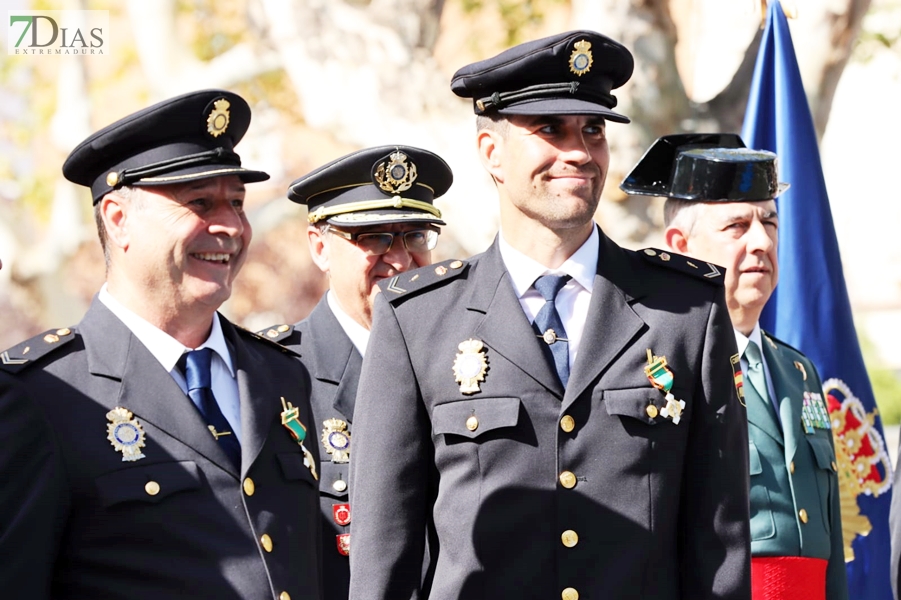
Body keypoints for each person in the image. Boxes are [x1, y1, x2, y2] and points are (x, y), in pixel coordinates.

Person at [348, 31, 751, 600]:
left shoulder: (684, 310)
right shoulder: (417, 318)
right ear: (491, 153)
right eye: (550, 130)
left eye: (593, 131)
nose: (580, 153)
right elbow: (384, 549)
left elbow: (720, 539)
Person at [0, 89, 322, 600]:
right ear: (117, 219)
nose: (231, 226)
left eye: (237, 203)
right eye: (199, 202)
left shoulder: (281, 375)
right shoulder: (42, 394)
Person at [622, 133, 845, 600]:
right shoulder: (652, 372)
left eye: (770, 222)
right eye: (737, 227)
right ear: (681, 245)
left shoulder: (798, 370)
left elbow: (828, 544)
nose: (762, 241)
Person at [259, 145, 452, 600]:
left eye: (415, 236)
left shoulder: (465, 360)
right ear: (320, 247)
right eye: (374, 237)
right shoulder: (274, 376)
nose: (401, 261)